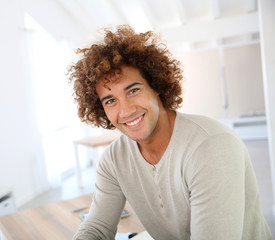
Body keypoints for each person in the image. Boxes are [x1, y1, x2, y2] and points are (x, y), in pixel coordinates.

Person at [68, 25, 272, 240]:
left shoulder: (212, 146)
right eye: (110, 101)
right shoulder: (113, 159)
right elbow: (97, 227)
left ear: (155, 86)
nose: (126, 111)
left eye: (133, 90)